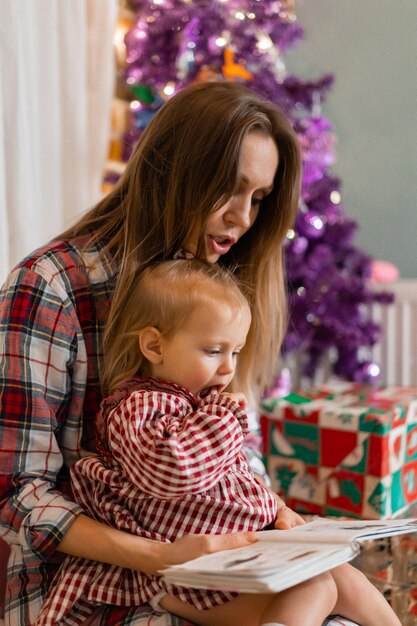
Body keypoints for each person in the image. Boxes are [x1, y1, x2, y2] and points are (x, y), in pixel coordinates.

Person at [0, 80, 302, 626]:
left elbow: (231, 453)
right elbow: (17, 493)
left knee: (335, 598)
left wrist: (274, 520)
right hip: (84, 589)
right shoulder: (51, 285)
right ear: (173, 172)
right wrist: (161, 557)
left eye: (258, 198)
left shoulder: (215, 295)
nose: (243, 218)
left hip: (208, 570)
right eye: (228, 189)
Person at [35, 259, 401, 626]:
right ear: (154, 346)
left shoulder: (198, 407)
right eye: (213, 351)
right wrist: (223, 419)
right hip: (181, 576)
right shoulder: (140, 406)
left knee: (348, 578)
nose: (228, 368)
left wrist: (273, 506)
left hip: (235, 557)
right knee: (316, 588)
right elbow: (173, 472)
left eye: (235, 352)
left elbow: (230, 480)